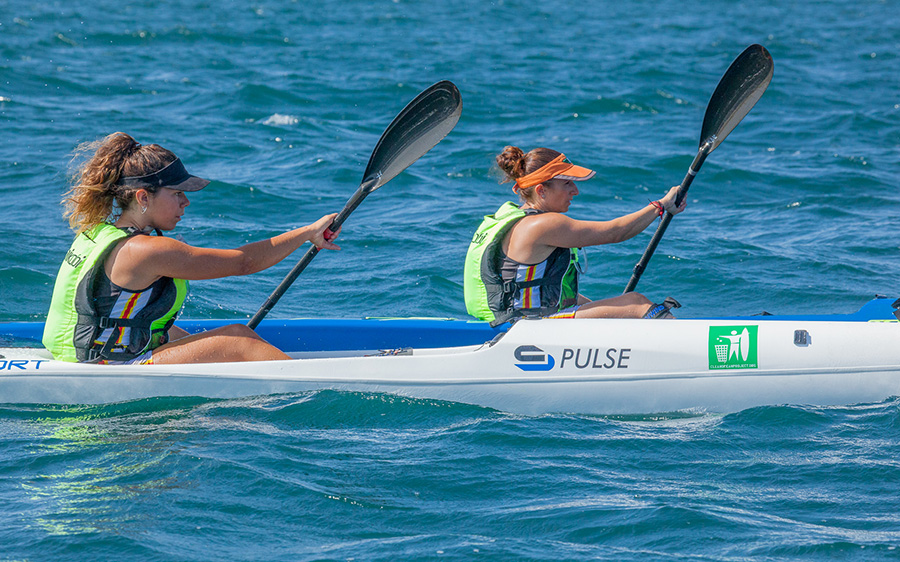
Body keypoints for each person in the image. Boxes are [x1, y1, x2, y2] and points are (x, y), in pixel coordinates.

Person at [42, 132, 341, 365]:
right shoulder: (146, 250)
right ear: (143, 197)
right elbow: (243, 263)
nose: (186, 202)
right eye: (177, 193)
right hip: (109, 366)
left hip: (84, 357)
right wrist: (308, 232)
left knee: (216, 338)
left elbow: (132, 318)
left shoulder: (97, 233)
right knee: (237, 338)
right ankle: (318, 386)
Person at [463, 146, 686, 327]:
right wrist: (661, 205)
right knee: (637, 304)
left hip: (519, 323)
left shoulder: (517, 219)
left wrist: (611, 312)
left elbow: (544, 289)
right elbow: (616, 232)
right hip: (528, 328)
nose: (575, 191)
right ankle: (690, 355)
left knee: (625, 305)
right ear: (541, 191)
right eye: (567, 183)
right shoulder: (542, 224)